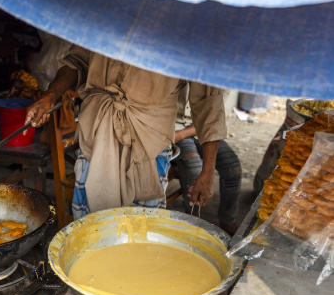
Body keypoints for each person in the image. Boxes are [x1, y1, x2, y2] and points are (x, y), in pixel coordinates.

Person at [25, 45, 227, 219]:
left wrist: (208, 171)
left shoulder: (185, 24)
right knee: (89, 229)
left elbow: (208, 101)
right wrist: (51, 95)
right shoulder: (107, 8)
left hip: (150, 140)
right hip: (97, 130)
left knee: (141, 230)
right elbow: (77, 60)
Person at [174, 83, 241, 235]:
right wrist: (177, 135)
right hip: (173, 130)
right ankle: (192, 223)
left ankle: (228, 220)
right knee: (194, 169)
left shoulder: (216, 80)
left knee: (232, 167)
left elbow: (213, 119)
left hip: (199, 132)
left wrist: (181, 134)